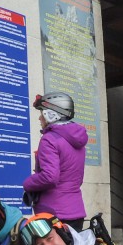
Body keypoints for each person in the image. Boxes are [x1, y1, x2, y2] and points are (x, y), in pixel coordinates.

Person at [23, 93, 88, 231]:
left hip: (53, 213)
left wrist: (28, 183)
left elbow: (50, 177)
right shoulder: (78, 141)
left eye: (42, 113)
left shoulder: (49, 139)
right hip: (76, 212)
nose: (40, 118)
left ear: (51, 114)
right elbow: (77, 179)